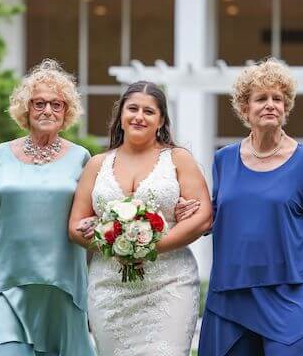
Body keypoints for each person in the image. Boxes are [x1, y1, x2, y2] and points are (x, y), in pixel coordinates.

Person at [198, 58, 303, 355]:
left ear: (286, 107)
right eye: (261, 99)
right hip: (231, 295)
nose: (270, 105)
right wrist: (192, 214)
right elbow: (217, 216)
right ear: (244, 108)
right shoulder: (223, 160)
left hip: (290, 297)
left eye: (277, 99)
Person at [0, 59, 95, 356]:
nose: (48, 110)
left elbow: (93, 212)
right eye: (39, 103)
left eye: (56, 104)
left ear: (66, 112)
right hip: (7, 282)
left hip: (62, 284)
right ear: (26, 109)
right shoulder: (1, 155)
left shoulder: (81, 158)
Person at [69, 81, 212, 356]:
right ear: (120, 117)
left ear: (160, 121)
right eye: (132, 109)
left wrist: (151, 246)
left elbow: (203, 216)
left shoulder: (178, 159)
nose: (139, 116)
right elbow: (75, 226)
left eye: (149, 111)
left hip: (170, 284)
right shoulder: (97, 164)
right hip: (110, 288)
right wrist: (95, 234)